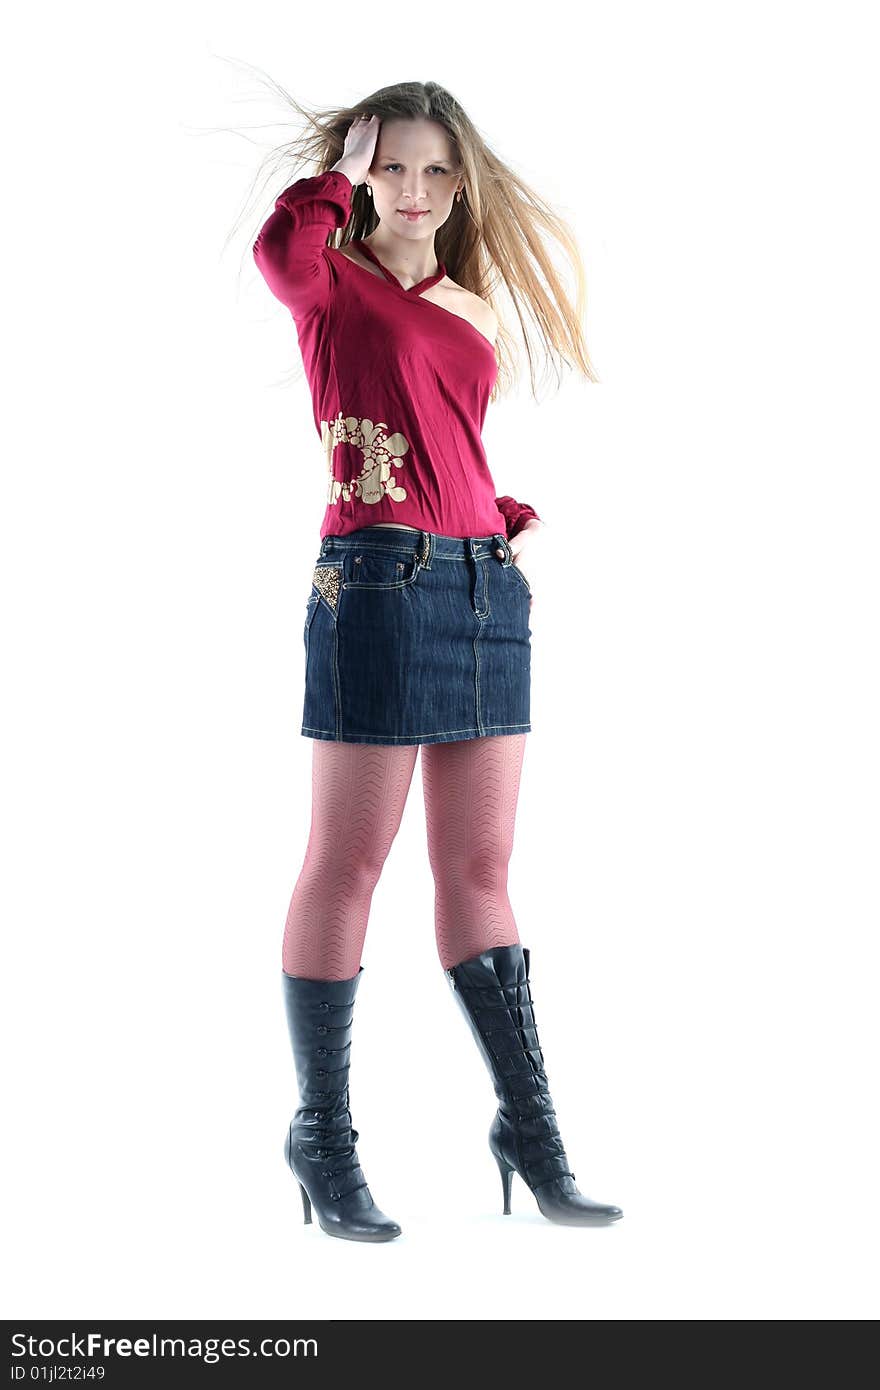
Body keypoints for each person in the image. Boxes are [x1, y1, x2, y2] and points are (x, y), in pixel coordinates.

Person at [252, 83, 623, 1241]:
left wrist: (494, 509)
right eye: (390, 168)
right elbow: (278, 250)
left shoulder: (475, 304)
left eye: (431, 173)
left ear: (458, 187)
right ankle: (322, 1136)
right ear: (364, 173)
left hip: (481, 586)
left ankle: (531, 1129)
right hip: (376, 580)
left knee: (481, 866)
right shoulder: (329, 278)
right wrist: (335, 173)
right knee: (347, 862)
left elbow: (447, 438)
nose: (411, 192)